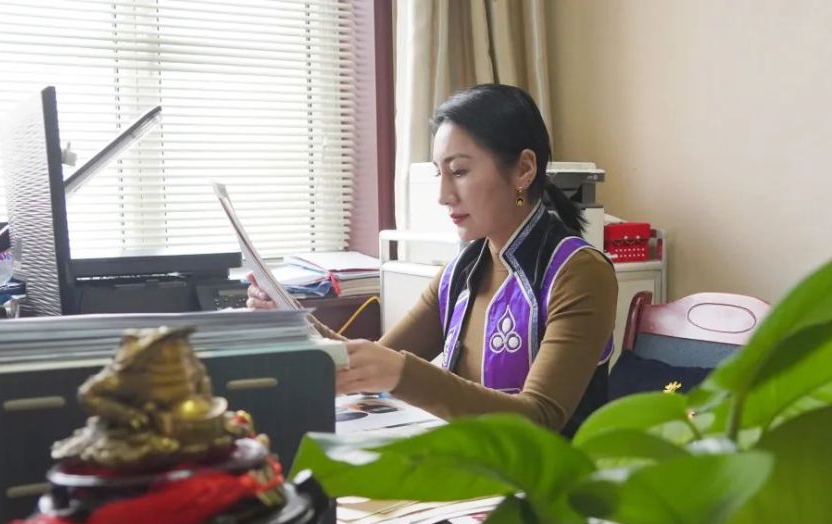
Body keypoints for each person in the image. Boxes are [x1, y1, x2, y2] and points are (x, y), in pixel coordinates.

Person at [248, 84, 617, 436]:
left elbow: (538, 419)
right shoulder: (460, 273)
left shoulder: (579, 273)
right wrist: (294, 321)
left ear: (523, 170)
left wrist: (401, 373)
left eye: (459, 171)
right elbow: (369, 365)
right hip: (469, 464)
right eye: (440, 173)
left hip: (547, 477)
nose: (442, 195)